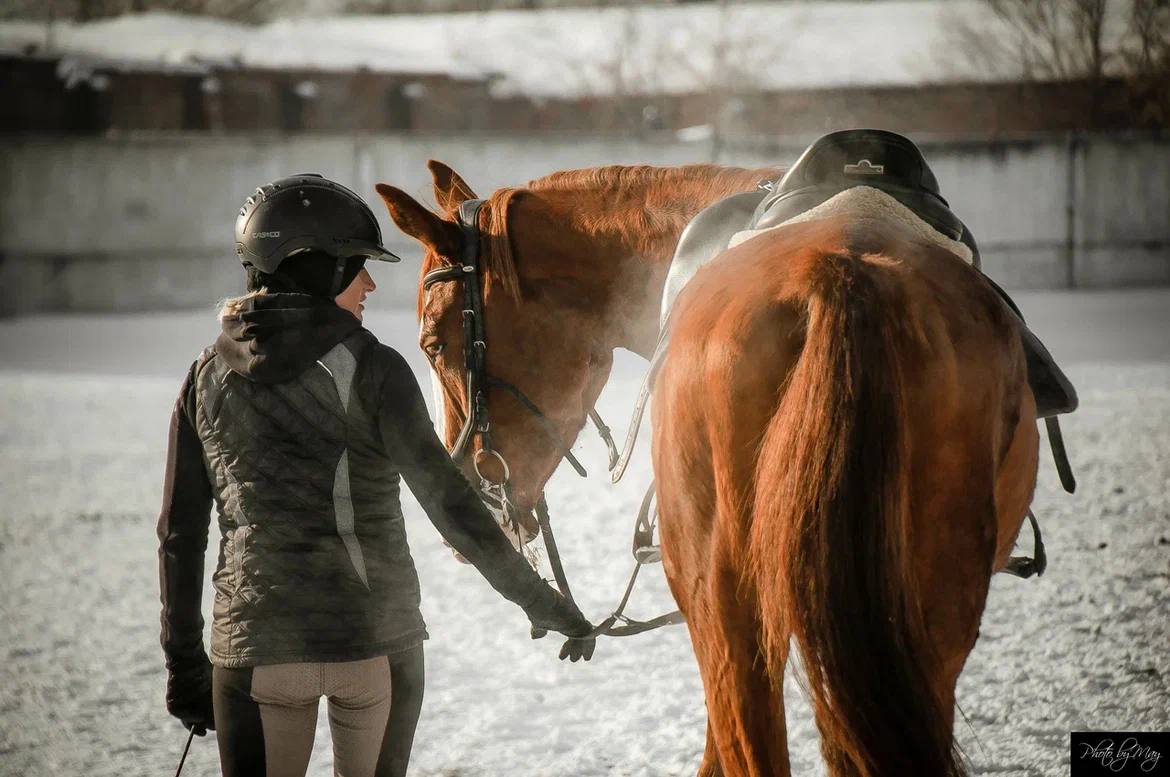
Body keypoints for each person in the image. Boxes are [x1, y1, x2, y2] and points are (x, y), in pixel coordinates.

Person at [157, 173, 594, 777]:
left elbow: (180, 535)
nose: (370, 283)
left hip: (255, 652)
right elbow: (450, 505)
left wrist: (184, 668)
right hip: (375, 646)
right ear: (316, 267)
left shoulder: (204, 377)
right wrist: (542, 602)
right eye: (356, 267)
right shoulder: (374, 367)